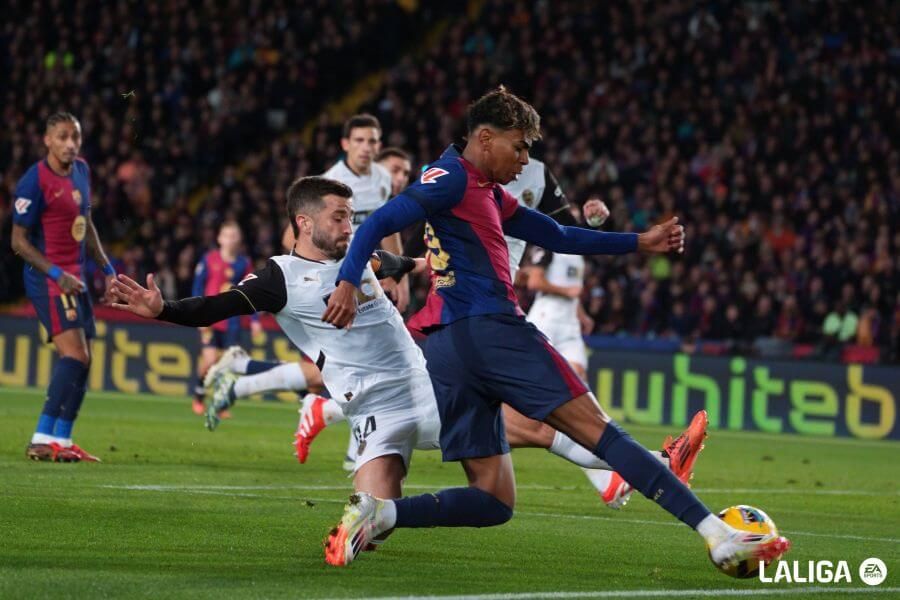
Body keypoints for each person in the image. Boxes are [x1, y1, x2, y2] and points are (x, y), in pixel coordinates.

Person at [321, 87, 790, 569]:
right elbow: (379, 219)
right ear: (485, 138)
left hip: (447, 346)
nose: (526, 159)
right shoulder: (452, 180)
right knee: (602, 433)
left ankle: (382, 514)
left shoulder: (481, 189)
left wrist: (639, 242)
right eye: (519, 145)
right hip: (491, 330)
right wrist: (346, 280)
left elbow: (558, 234)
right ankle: (717, 533)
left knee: (493, 500)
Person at [108, 176, 707, 552]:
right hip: (372, 414)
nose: (351, 225)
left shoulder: (365, 260)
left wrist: (439, 260)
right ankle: (641, 466)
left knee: (523, 423)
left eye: (351, 217)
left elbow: (412, 264)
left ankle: (640, 466)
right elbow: (217, 307)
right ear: (303, 222)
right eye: (338, 217)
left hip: (419, 388)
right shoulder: (278, 276)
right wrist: (164, 309)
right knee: (371, 521)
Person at [11, 112, 113, 463]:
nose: (70, 144)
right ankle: (40, 438)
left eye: (75, 136)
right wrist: (56, 274)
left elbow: (87, 223)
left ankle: (63, 439)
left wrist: (108, 269)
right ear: (47, 140)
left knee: (85, 361)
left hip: (77, 278)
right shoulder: (33, 181)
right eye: (63, 137)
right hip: (49, 280)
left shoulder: (82, 171)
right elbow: (18, 241)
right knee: (76, 356)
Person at [189, 221, 263, 415]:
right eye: (227, 235)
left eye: (234, 236)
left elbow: (251, 293)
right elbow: (197, 287)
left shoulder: (243, 263)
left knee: (228, 364)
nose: (230, 240)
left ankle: (220, 402)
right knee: (210, 359)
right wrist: (197, 313)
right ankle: (198, 393)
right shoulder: (208, 259)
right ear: (219, 238)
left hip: (232, 321)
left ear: (239, 240)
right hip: (209, 319)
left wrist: (255, 321)